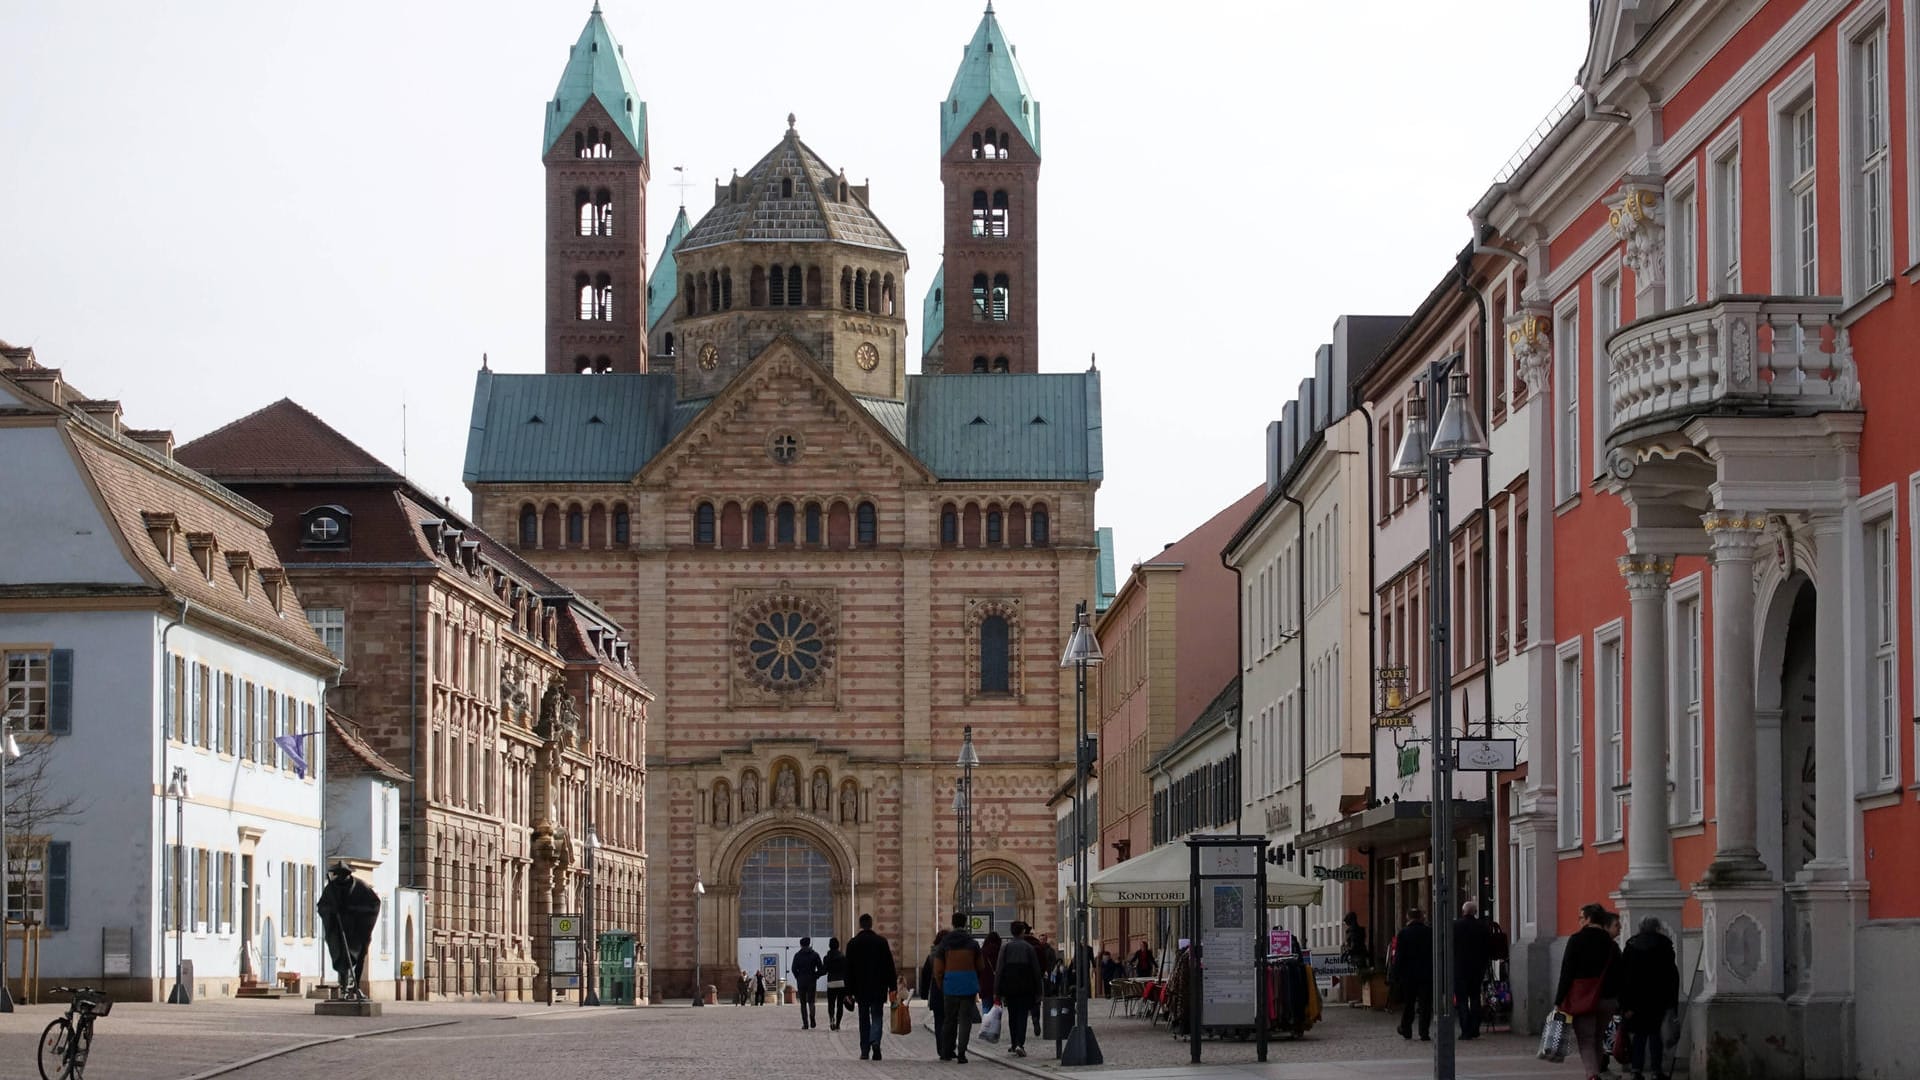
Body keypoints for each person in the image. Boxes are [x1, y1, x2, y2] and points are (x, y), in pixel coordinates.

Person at [1555, 903, 1624, 1080]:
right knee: (1598, 1038)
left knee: (1586, 1039)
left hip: (1582, 998)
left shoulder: (1576, 940)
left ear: (1588, 919)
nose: (1579, 921)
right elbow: (1619, 974)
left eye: (1581, 917)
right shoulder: (1611, 945)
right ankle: (1596, 1071)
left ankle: (1592, 1075)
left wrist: (1559, 999)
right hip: (1607, 999)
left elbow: (1567, 972)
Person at [1617, 917, 1680, 1080]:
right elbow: (1671, 976)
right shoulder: (1665, 946)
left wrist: (1626, 1004)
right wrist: (1671, 1003)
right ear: (1657, 928)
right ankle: (1656, 1071)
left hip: (1636, 1000)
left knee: (1639, 1036)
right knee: (1654, 1034)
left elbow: (1624, 978)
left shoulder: (1631, 946)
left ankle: (1636, 1070)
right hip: (1657, 999)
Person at [934, 912, 988, 1063]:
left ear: (952, 923)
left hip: (950, 985)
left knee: (949, 1020)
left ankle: (946, 1052)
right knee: (965, 1020)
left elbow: (938, 968)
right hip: (968, 986)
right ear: (965, 923)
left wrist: (942, 984)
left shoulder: (945, 942)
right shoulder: (972, 943)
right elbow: (981, 966)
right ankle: (962, 1053)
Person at [845, 913, 897, 1061]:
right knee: (877, 1016)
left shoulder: (853, 943)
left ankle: (864, 1050)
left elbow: (848, 969)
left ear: (860, 925)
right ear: (871, 924)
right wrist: (892, 987)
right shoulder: (881, 942)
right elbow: (889, 966)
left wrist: (848, 991)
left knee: (863, 1019)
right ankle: (875, 1042)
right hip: (879, 987)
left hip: (860, 989)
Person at [996, 921, 1042, 1058]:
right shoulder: (1029, 948)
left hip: (1009, 988)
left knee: (1012, 1016)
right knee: (1022, 1016)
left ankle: (1013, 1042)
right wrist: (1039, 991)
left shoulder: (1006, 947)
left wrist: (997, 991)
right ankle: (1020, 1044)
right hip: (1025, 987)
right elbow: (1036, 971)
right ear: (1022, 932)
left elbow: (999, 970)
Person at [1390, 908, 1434, 1041]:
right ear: (1421, 917)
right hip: (1426, 974)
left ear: (1408, 918)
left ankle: (1406, 1028)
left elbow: (1399, 956)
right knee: (1425, 1004)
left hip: (1408, 975)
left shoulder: (1403, 933)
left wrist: (1394, 974)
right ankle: (1424, 1032)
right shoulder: (1429, 932)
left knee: (1409, 1003)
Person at [1454, 900, 1492, 1039]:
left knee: (1462, 1000)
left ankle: (1465, 1030)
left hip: (1460, 968)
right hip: (1477, 968)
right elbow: (1488, 948)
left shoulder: (1456, 926)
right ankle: (1475, 1028)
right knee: (1475, 997)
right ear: (1475, 912)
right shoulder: (1482, 927)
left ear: (1463, 912)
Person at [919, 935, 945, 1053]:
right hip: (949, 991)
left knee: (938, 1021)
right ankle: (949, 1047)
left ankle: (941, 1048)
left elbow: (925, 976)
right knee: (950, 1020)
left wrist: (924, 994)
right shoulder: (949, 954)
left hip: (935, 991)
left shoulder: (931, 956)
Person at [792, 936, 824, 1029]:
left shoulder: (797, 955)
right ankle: (812, 1018)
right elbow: (821, 969)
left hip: (801, 981)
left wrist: (798, 977)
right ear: (809, 944)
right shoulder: (815, 955)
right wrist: (816, 975)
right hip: (811, 980)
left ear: (801, 945)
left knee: (802, 1003)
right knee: (811, 1002)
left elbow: (794, 968)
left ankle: (805, 1024)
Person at [824, 936, 849, 1031]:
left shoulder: (826, 958)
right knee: (840, 1005)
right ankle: (838, 1024)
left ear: (829, 946)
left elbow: (825, 970)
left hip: (831, 983)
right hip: (841, 983)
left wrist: (816, 974)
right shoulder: (843, 957)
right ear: (838, 946)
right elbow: (846, 971)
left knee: (831, 1004)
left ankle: (831, 1019)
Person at [980, 930, 1002, 1007]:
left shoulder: (982, 952)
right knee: (997, 1009)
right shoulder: (1001, 952)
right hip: (998, 985)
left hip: (985, 985)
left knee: (986, 1008)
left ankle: (986, 1019)